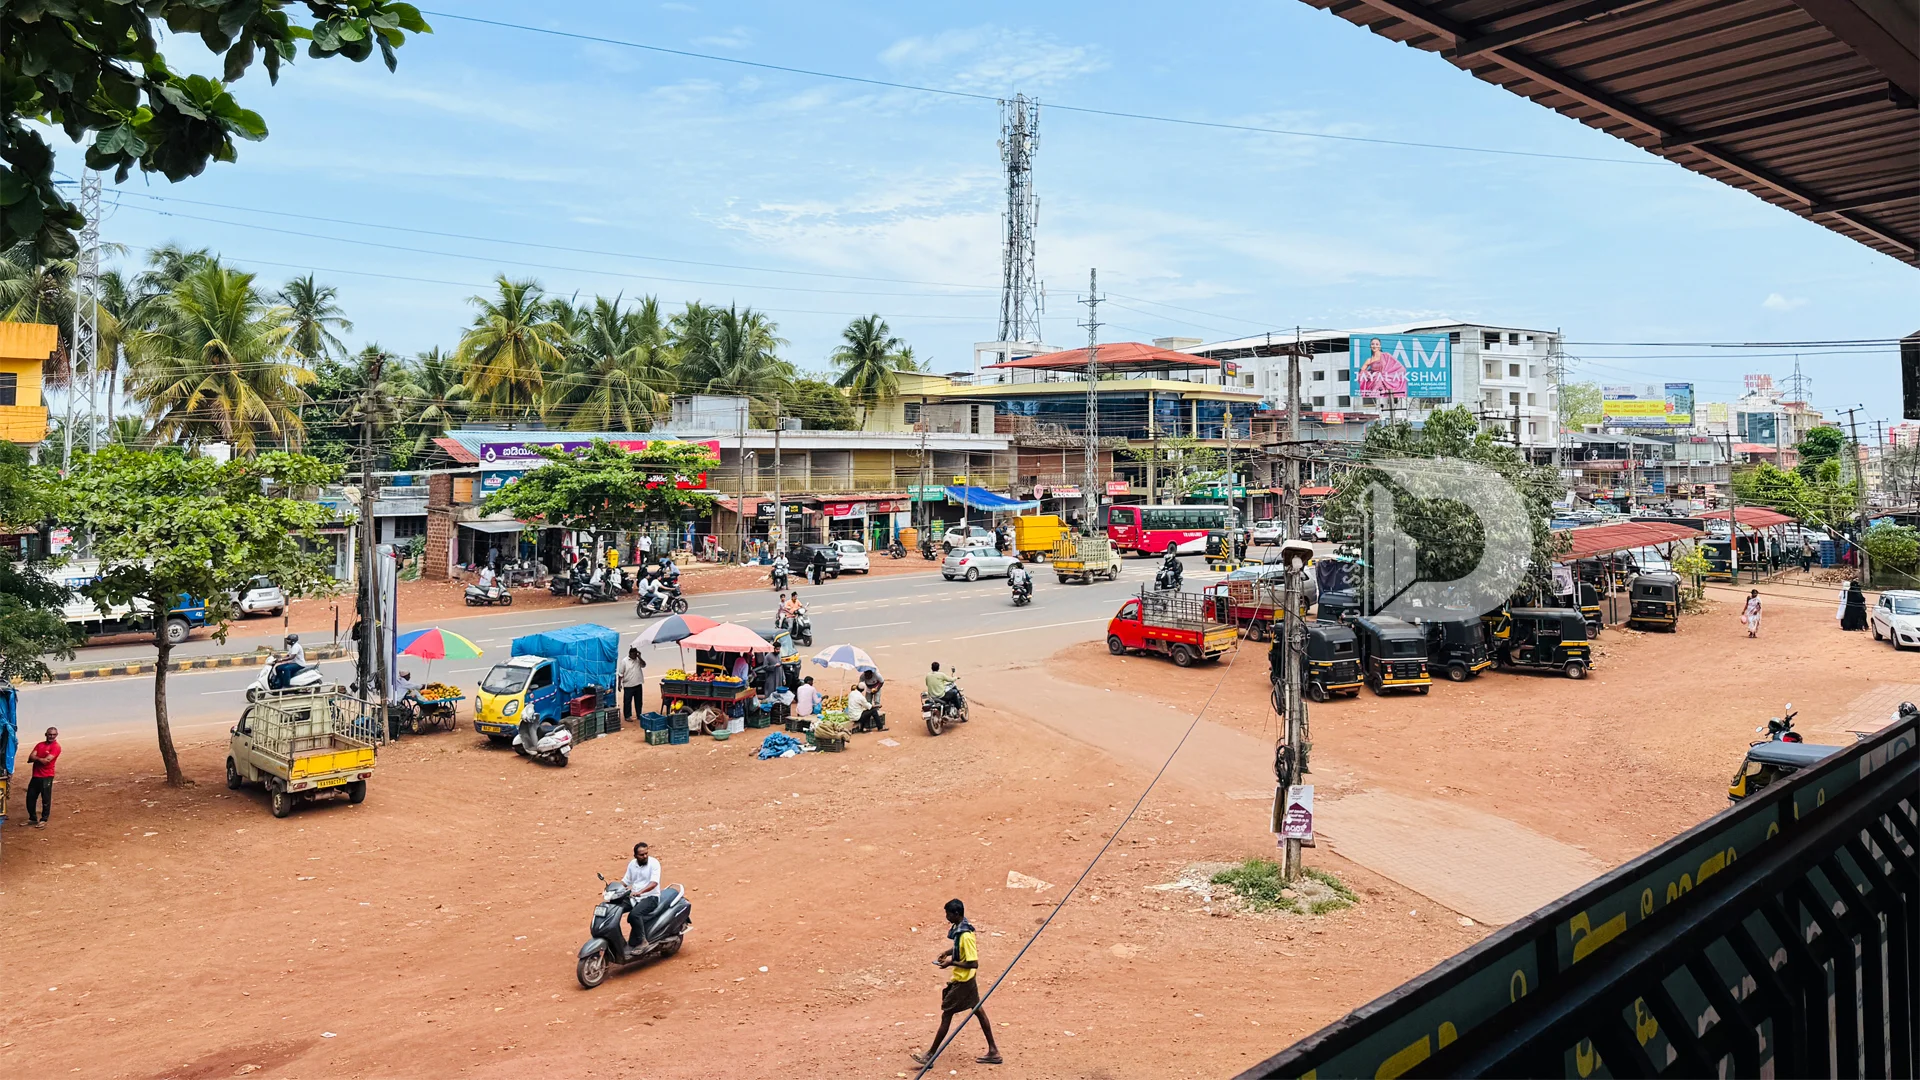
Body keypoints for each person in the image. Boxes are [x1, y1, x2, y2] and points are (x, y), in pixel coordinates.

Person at [911, 898, 1002, 1067]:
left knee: (947, 1014)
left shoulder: (966, 935)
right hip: (968, 980)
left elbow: (973, 962)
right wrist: (947, 953)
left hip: (963, 982)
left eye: (948, 914)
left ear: (956, 914)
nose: (947, 917)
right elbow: (960, 949)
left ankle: (930, 1055)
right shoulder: (961, 929)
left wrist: (951, 962)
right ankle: (993, 1051)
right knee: (979, 1011)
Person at [622, 841, 662, 941]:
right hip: (634, 897)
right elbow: (626, 881)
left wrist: (640, 892)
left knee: (634, 915)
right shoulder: (632, 864)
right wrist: (614, 890)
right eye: (641, 855)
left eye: (646, 853)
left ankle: (642, 942)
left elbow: (654, 883)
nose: (645, 856)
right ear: (635, 856)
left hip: (650, 897)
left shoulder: (654, 863)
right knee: (616, 906)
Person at [25, 726, 59, 829]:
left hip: (47, 776)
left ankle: (44, 819)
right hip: (36, 776)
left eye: (53, 735)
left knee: (45, 799)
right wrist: (40, 759)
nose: (51, 736)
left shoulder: (56, 747)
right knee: (30, 798)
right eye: (50, 734)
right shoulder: (39, 745)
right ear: (46, 734)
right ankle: (32, 818)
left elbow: (46, 761)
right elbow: (30, 758)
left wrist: (36, 758)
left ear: (56, 735)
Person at [618, 646, 647, 722]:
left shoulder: (638, 660)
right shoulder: (624, 661)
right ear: (630, 654)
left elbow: (644, 665)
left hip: (638, 684)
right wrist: (619, 684)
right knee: (627, 702)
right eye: (633, 654)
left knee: (639, 701)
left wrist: (639, 657)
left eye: (635, 654)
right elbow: (620, 674)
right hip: (628, 685)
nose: (634, 656)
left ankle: (639, 714)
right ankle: (627, 716)